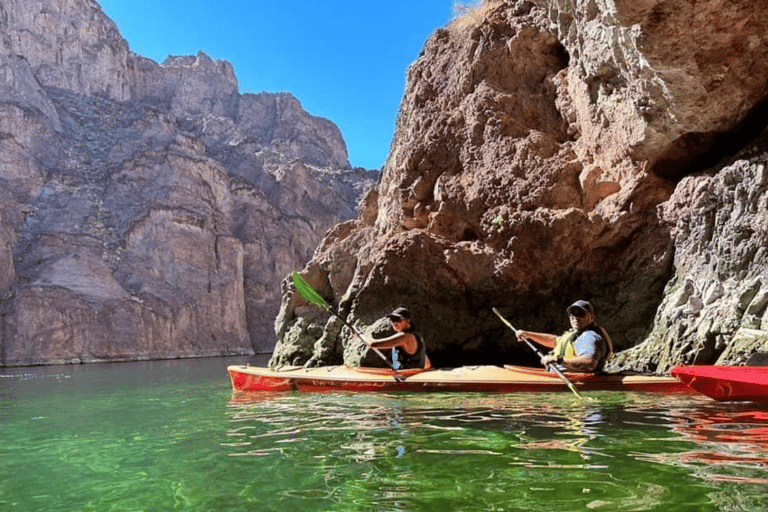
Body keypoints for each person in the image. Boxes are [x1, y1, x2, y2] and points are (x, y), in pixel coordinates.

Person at [516, 300, 613, 373]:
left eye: (581, 314)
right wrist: (528, 334)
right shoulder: (577, 334)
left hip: (573, 379)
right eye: (572, 314)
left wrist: (557, 360)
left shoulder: (588, 336)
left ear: (591, 317)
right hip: (560, 375)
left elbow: (589, 363)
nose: (575, 318)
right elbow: (554, 341)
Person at [361, 307, 431, 369]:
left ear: (408, 321)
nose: (395, 323)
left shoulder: (405, 336)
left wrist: (360, 335)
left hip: (406, 379)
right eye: (392, 320)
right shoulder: (416, 336)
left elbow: (373, 344)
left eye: (398, 319)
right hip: (407, 376)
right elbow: (427, 363)